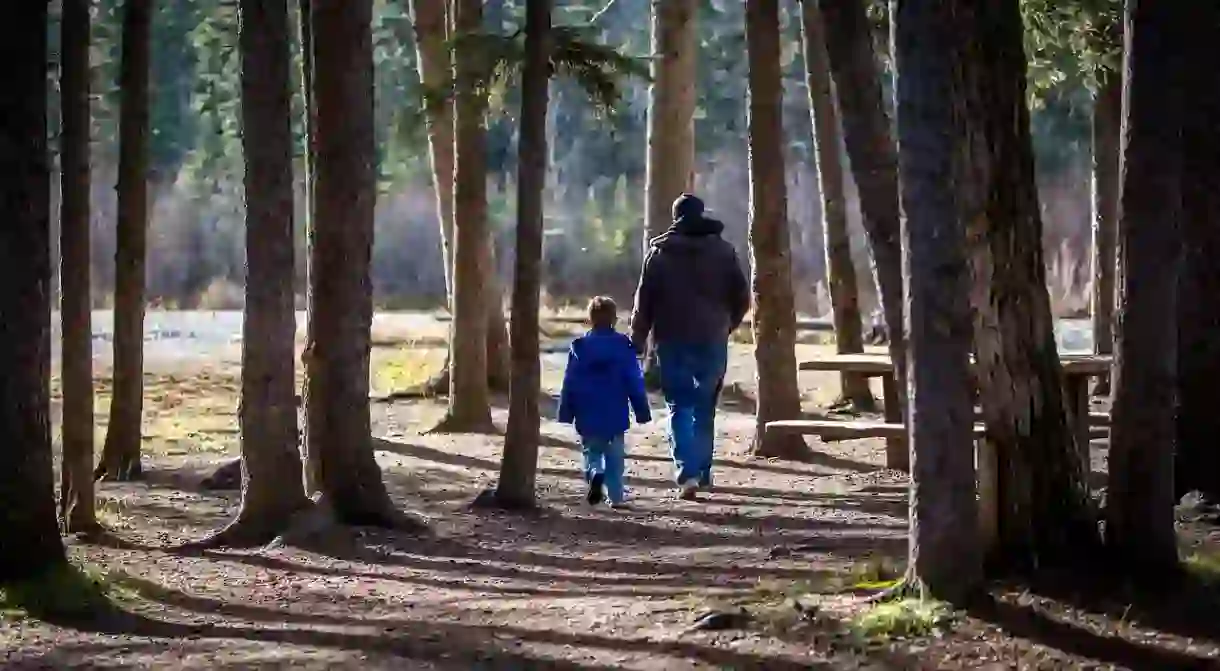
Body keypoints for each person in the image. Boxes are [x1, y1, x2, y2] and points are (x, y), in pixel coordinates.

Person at [631, 193, 749, 501]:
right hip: (712, 338)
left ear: (675, 217)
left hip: (672, 338)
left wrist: (638, 340)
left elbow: (644, 303)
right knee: (705, 407)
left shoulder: (659, 253)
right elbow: (742, 297)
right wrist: (726, 325)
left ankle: (687, 474)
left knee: (679, 406)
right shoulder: (724, 252)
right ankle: (704, 471)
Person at [558, 296, 652, 508]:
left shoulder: (579, 347)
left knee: (591, 452)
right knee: (615, 457)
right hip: (615, 413)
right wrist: (641, 410)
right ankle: (616, 496)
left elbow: (570, 381)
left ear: (590, 319)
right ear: (614, 319)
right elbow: (634, 380)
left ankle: (594, 473)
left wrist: (566, 412)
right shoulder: (623, 347)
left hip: (587, 412)